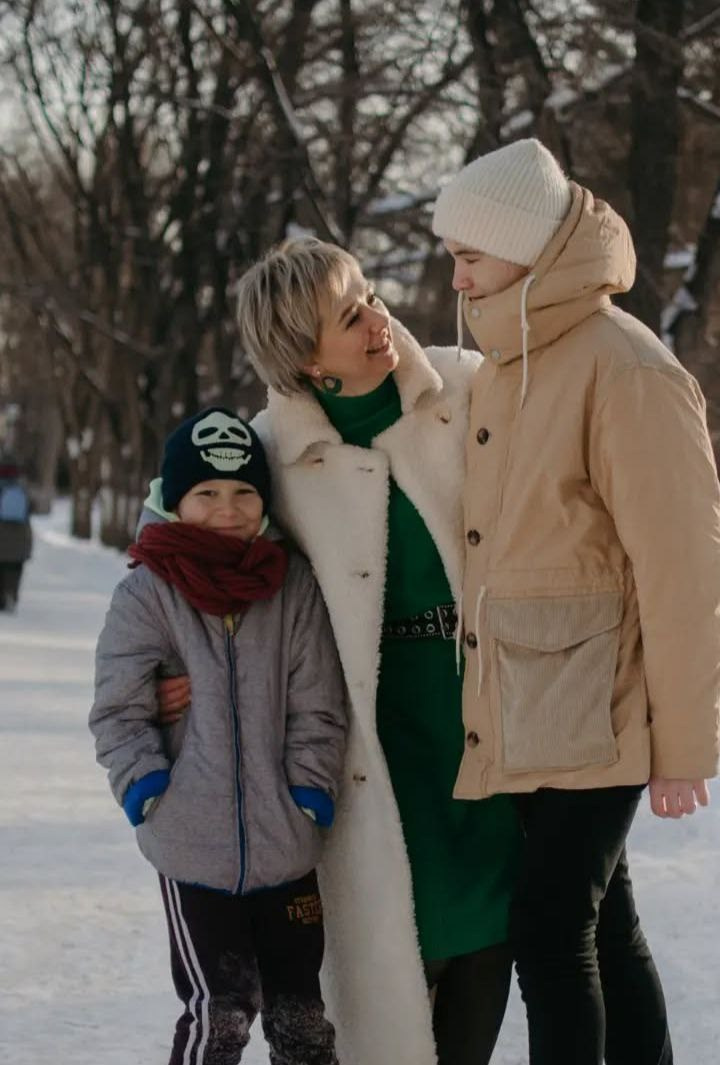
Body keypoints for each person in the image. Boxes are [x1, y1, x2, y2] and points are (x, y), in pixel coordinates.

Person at [155, 237, 519, 1065]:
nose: (377, 319)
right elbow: (171, 542)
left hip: (481, 724)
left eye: (370, 296)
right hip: (368, 749)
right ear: (307, 363)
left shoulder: (465, 390)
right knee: (390, 965)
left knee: (486, 940)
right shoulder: (266, 454)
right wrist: (162, 674)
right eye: (348, 316)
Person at [431, 137, 720, 1065]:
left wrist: (683, 744)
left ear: (525, 246)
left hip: (598, 708)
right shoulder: (514, 361)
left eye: (469, 253)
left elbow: (687, 568)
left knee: (552, 929)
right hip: (536, 703)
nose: (455, 274)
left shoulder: (625, 366)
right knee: (601, 926)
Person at [89, 407, 348, 1065]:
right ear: (175, 501)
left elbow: (318, 703)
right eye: (206, 493)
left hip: (287, 845)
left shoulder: (291, 587)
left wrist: (309, 792)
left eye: (243, 492)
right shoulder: (147, 592)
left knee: (303, 1019)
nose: (226, 509)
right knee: (220, 1014)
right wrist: (147, 788)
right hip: (192, 844)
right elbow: (118, 709)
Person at [0, 462, 32, 612]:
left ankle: (1, 599)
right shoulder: (22, 490)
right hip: (20, 538)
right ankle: (12, 594)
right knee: (15, 569)